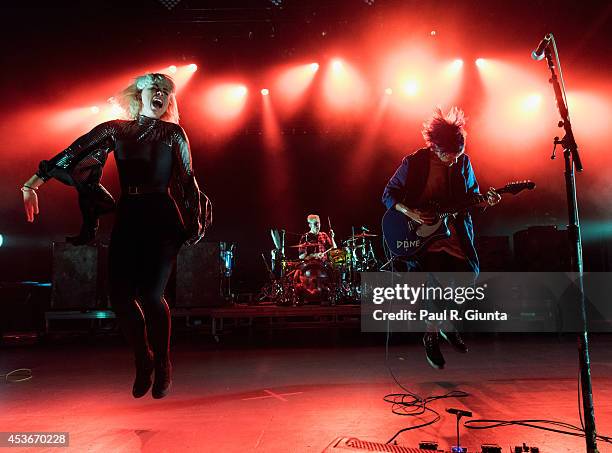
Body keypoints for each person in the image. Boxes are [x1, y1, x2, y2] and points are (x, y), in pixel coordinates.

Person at [22, 73, 210, 398]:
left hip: (163, 218)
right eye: (156, 89)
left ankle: (163, 362)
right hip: (131, 215)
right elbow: (74, 151)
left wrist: (195, 220)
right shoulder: (116, 129)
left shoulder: (173, 133)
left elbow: (187, 178)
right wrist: (31, 184)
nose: (161, 95)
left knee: (152, 296)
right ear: (141, 93)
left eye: (166, 91)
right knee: (120, 297)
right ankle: (143, 359)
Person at [382, 106, 500, 369]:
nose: (455, 160)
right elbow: (388, 194)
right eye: (450, 156)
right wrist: (410, 212)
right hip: (423, 236)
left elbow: (472, 196)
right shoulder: (414, 163)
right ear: (435, 147)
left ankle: (440, 326)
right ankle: (433, 336)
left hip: (454, 232)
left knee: (468, 275)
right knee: (433, 284)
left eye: (459, 155)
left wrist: (486, 202)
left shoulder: (464, 163)